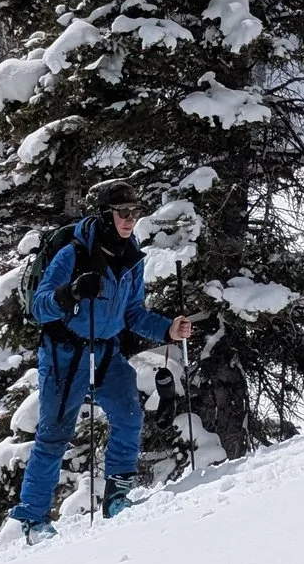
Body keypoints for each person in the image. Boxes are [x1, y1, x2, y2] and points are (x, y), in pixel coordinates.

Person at [10, 178, 195, 542]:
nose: (130, 219)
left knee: (128, 414)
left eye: (135, 212)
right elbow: (40, 307)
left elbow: (133, 313)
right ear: (107, 216)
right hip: (65, 353)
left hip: (106, 349)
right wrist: (71, 292)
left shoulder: (130, 257)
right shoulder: (74, 254)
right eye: (123, 213)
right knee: (54, 435)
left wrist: (168, 329)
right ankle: (33, 520)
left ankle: (116, 496)